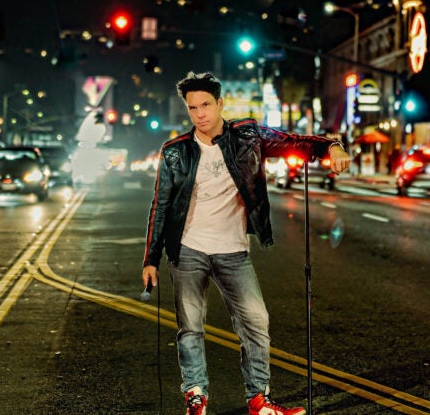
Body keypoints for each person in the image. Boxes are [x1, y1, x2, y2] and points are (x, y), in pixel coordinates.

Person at [141, 71, 351, 415]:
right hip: (188, 250)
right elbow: (160, 206)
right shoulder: (174, 152)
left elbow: (296, 142)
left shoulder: (248, 136)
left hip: (234, 250)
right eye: (192, 108)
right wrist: (150, 258)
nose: (200, 114)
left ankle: (259, 400)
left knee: (256, 322)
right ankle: (196, 396)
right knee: (190, 328)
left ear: (220, 103)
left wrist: (331, 145)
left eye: (206, 105)